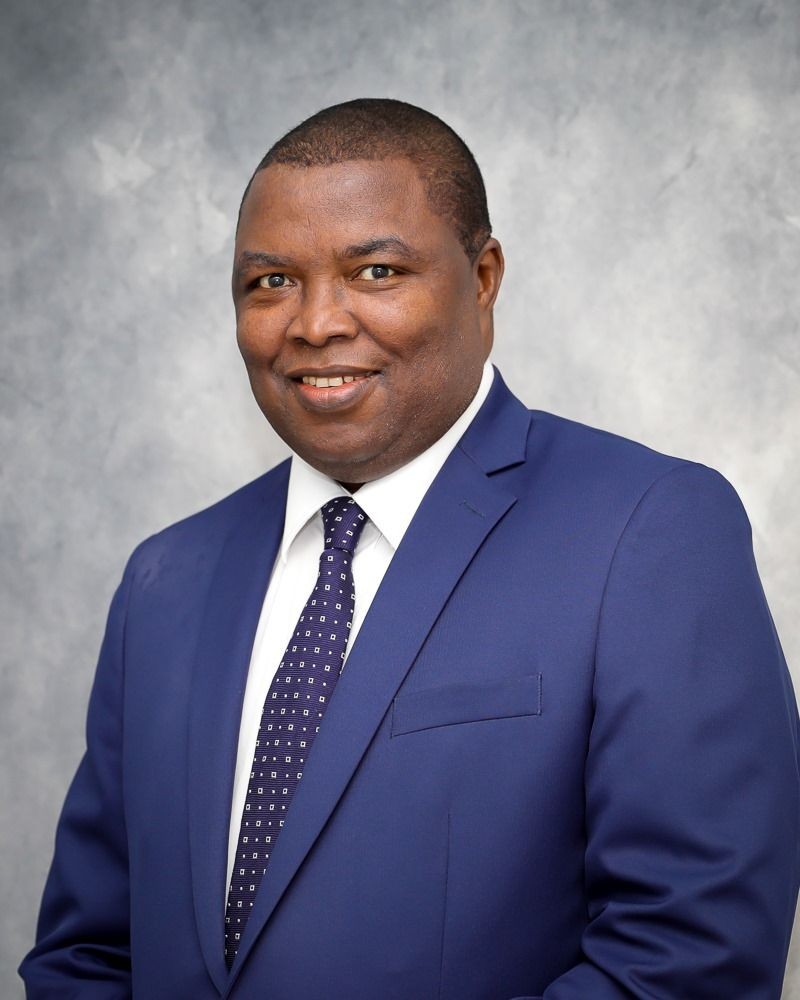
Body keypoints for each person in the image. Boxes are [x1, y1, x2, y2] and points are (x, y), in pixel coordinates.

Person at [20, 98, 800, 999]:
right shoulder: (165, 580)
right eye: (270, 282)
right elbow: (86, 956)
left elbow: (689, 959)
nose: (315, 324)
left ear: (483, 278)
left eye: (376, 270)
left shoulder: (651, 531)